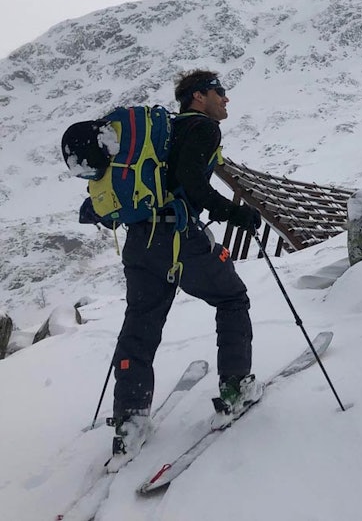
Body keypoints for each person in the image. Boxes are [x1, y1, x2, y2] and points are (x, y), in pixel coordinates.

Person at [107, 70, 264, 470]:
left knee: (139, 324)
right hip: (178, 238)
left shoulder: (163, 133)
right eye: (220, 92)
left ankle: (130, 421)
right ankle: (235, 389)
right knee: (232, 297)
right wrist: (236, 214)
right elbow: (193, 185)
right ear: (198, 96)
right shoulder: (203, 129)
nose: (226, 99)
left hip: (140, 240)